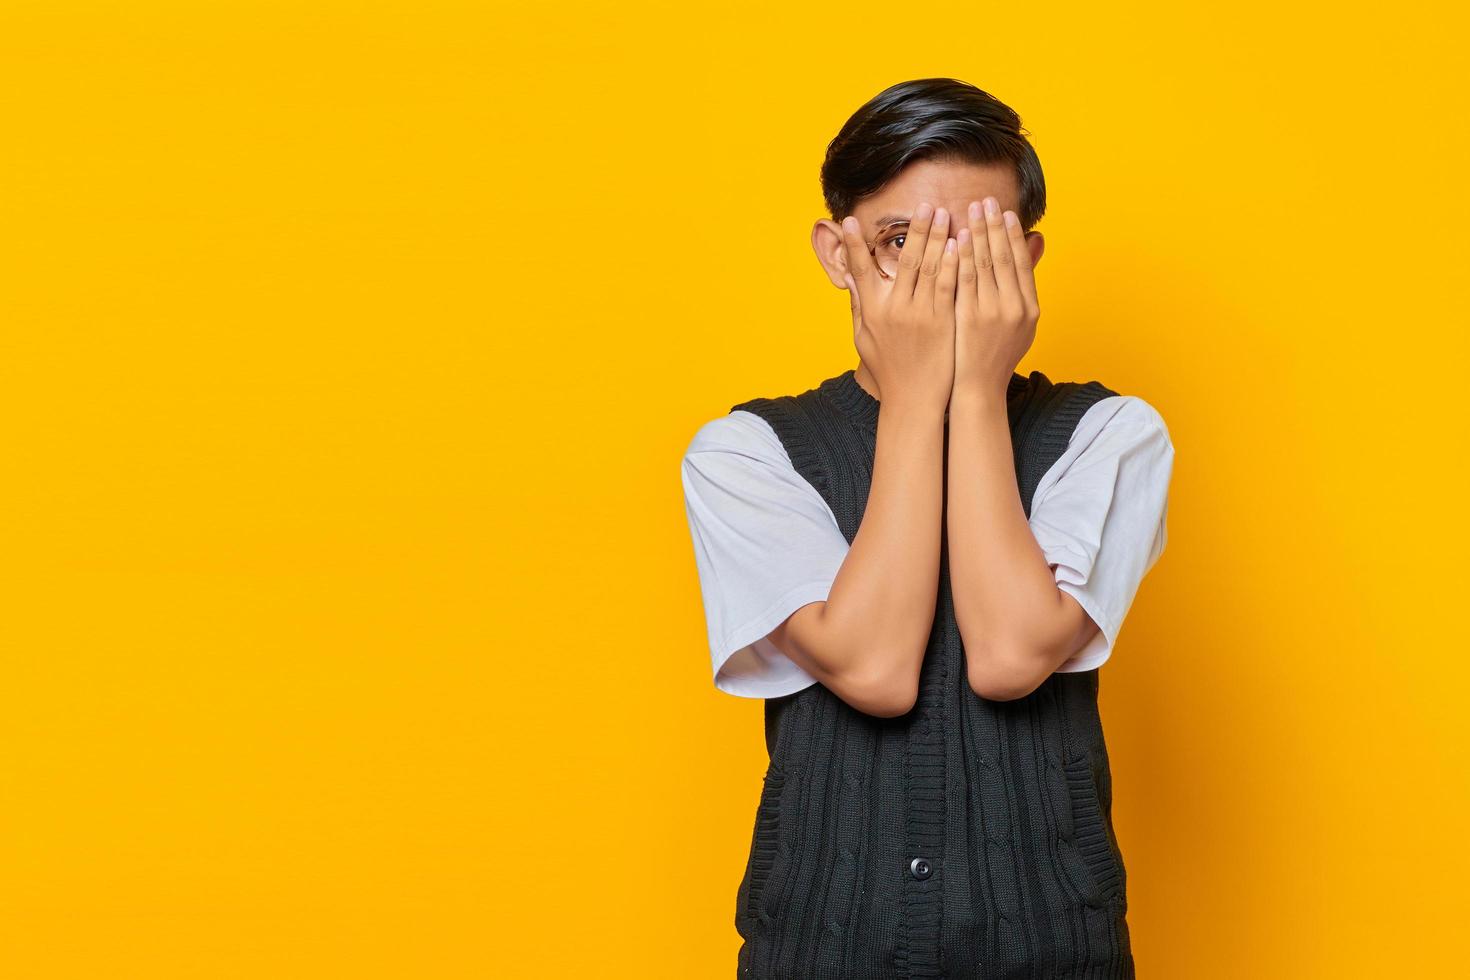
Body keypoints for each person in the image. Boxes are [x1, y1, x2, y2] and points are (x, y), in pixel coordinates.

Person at [680, 77, 1173, 979]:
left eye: (978, 245)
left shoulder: (1110, 435)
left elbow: (1011, 655)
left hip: (1053, 948)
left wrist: (977, 390)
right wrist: (914, 396)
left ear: (1026, 257)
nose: (943, 276)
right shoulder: (748, 454)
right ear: (837, 253)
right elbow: (871, 668)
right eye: (901, 242)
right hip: (822, 951)